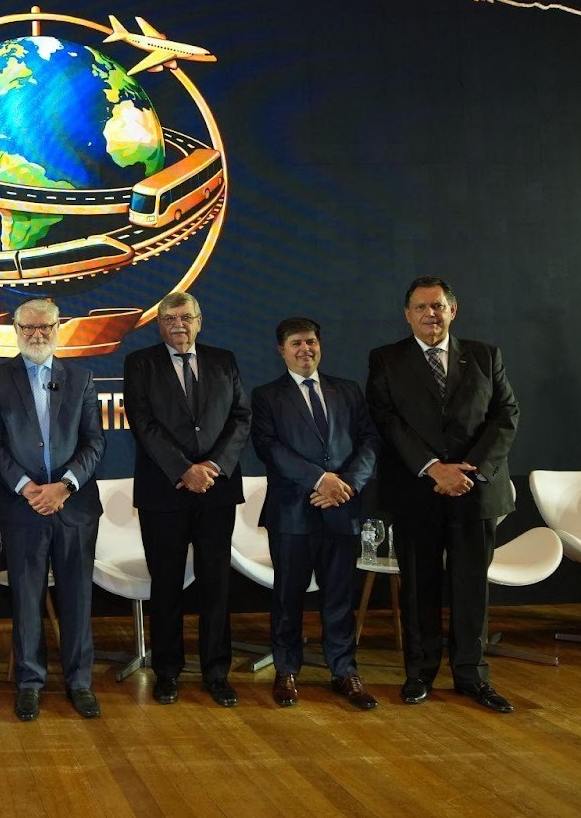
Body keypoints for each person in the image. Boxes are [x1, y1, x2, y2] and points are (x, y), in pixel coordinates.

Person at [366, 276, 519, 713]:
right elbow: (386, 420)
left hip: (474, 488)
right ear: (407, 315)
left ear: (453, 310)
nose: (430, 314)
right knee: (419, 587)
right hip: (418, 490)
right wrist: (434, 468)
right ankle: (420, 673)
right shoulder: (386, 359)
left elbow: (506, 414)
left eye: (437, 306)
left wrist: (472, 468)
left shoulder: (485, 356)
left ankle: (472, 676)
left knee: (472, 588)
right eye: (420, 307)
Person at [0, 298, 105, 721]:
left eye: (44, 327)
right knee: (26, 600)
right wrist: (27, 487)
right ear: (15, 330)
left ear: (57, 329)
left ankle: (79, 683)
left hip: (74, 506)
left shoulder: (82, 378)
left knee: (77, 598)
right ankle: (29, 683)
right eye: (28, 327)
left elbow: (95, 442)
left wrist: (64, 486)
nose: (36, 334)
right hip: (21, 506)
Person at [122, 292, 251, 707]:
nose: (179, 325)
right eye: (170, 318)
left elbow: (240, 417)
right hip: (164, 490)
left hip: (217, 490)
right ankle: (167, 671)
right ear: (159, 325)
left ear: (199, 321)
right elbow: (143, 423)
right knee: (166, 585)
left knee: (216, 585)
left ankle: (216, 672)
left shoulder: (224, 360)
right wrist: (184, 470)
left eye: (186, 317)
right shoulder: (140, 363)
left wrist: (212, 466)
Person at [251, 317, 380, 710]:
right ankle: (287, 670)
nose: (304, 349)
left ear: (319, 346)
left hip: (342, 508)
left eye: (310, 342)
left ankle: (344, 671)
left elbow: (370, 441)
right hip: (292, 513)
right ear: (282, 350)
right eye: (296, 343)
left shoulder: (348, 390)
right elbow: (269, 448)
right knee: (287, 598)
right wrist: (320, 480)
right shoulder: (267, 396)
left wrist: (347, 485)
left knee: (340, 598)